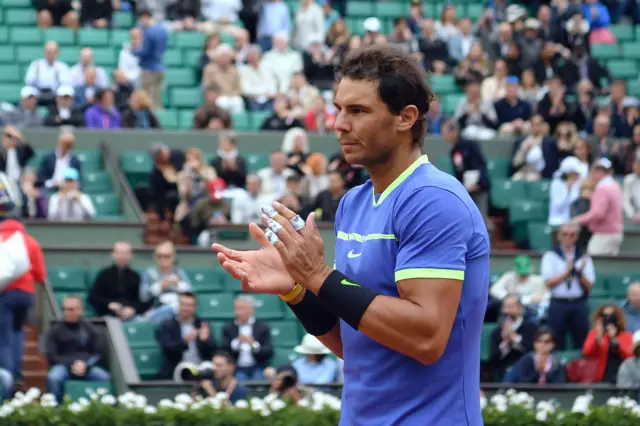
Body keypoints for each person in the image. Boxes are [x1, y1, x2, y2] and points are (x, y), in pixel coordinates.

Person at [213, 45, 489, 425]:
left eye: (357, 111)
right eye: (339, 108)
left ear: (406, 118)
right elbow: (357, 342)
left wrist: (319, 277)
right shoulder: (353, 203)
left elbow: (425, 339)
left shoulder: (433, 201)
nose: (339, 124)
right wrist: (297, 290)